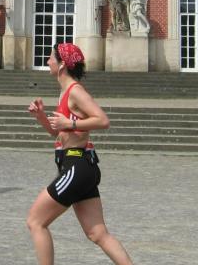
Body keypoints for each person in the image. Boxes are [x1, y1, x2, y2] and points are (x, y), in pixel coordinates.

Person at [26, 43, 133, 265]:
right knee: (98, 234)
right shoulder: (65, 92)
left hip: (77, 166)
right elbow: (58, 133)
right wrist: (42, 117)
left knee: (36, 222)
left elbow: (103, 120)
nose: (47, 61)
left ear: (62, 64)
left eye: (51, 58)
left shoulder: (75, 91)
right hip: (81, 166)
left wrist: (71, 122)